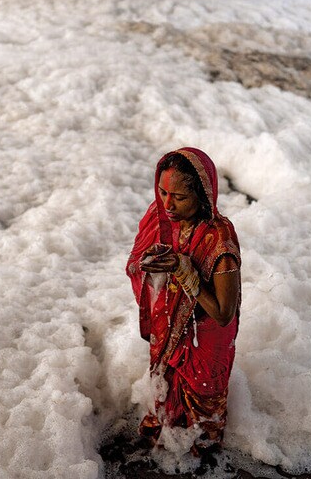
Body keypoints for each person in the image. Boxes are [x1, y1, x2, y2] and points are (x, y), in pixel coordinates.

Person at [126, 147, 241, 455]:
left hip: (206, 337)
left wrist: (188, 275)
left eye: (179, 197)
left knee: (203, 408)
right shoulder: (161, 219)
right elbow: (135, 264)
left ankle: (201, 453)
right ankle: (167, 436)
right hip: (171, 328)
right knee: (166, 385)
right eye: (162, 192)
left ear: (202, 196)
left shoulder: (219, 239)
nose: (167, 203)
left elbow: (223, 314)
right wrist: (149, 265)